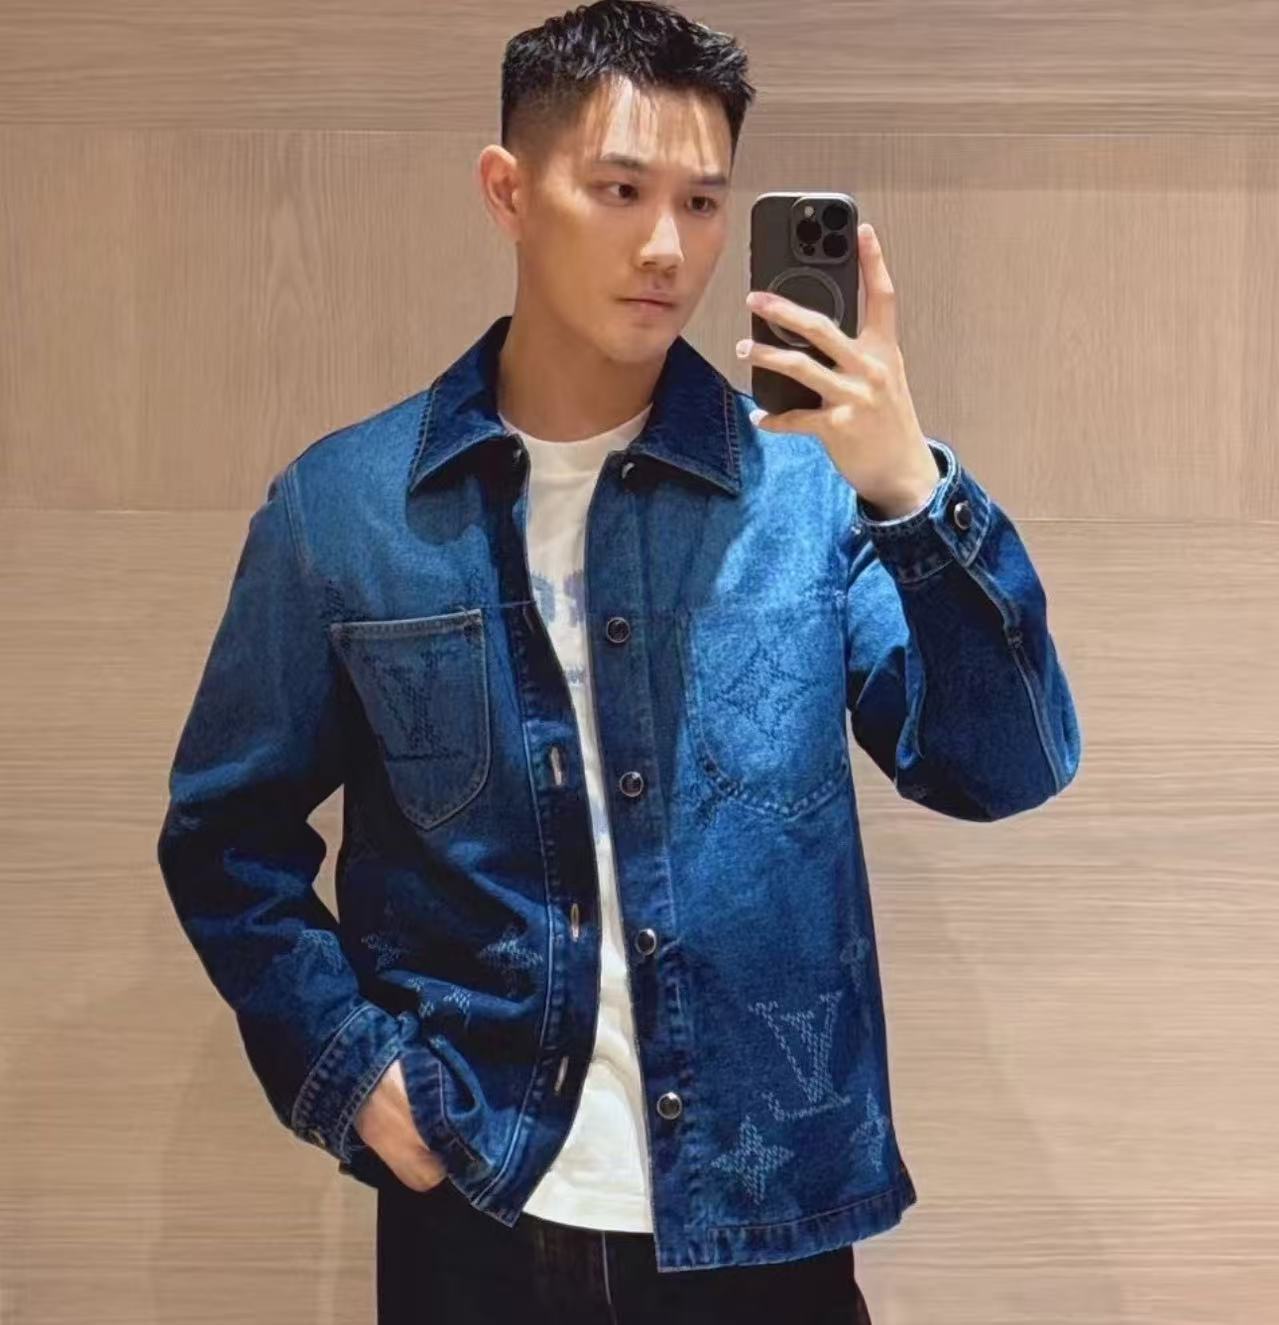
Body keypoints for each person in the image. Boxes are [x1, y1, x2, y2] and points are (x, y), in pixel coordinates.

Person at [156, 2, 1082, 1321]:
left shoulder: (811, 495)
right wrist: (350, 1066)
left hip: (766, 1229)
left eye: (703, 202)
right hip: (483, 1213)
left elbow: (1004, 768)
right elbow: (225, 838)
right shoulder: (346, 510)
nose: (667, 246)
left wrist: (909, 493)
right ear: (508, 191)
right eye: (620, 190)